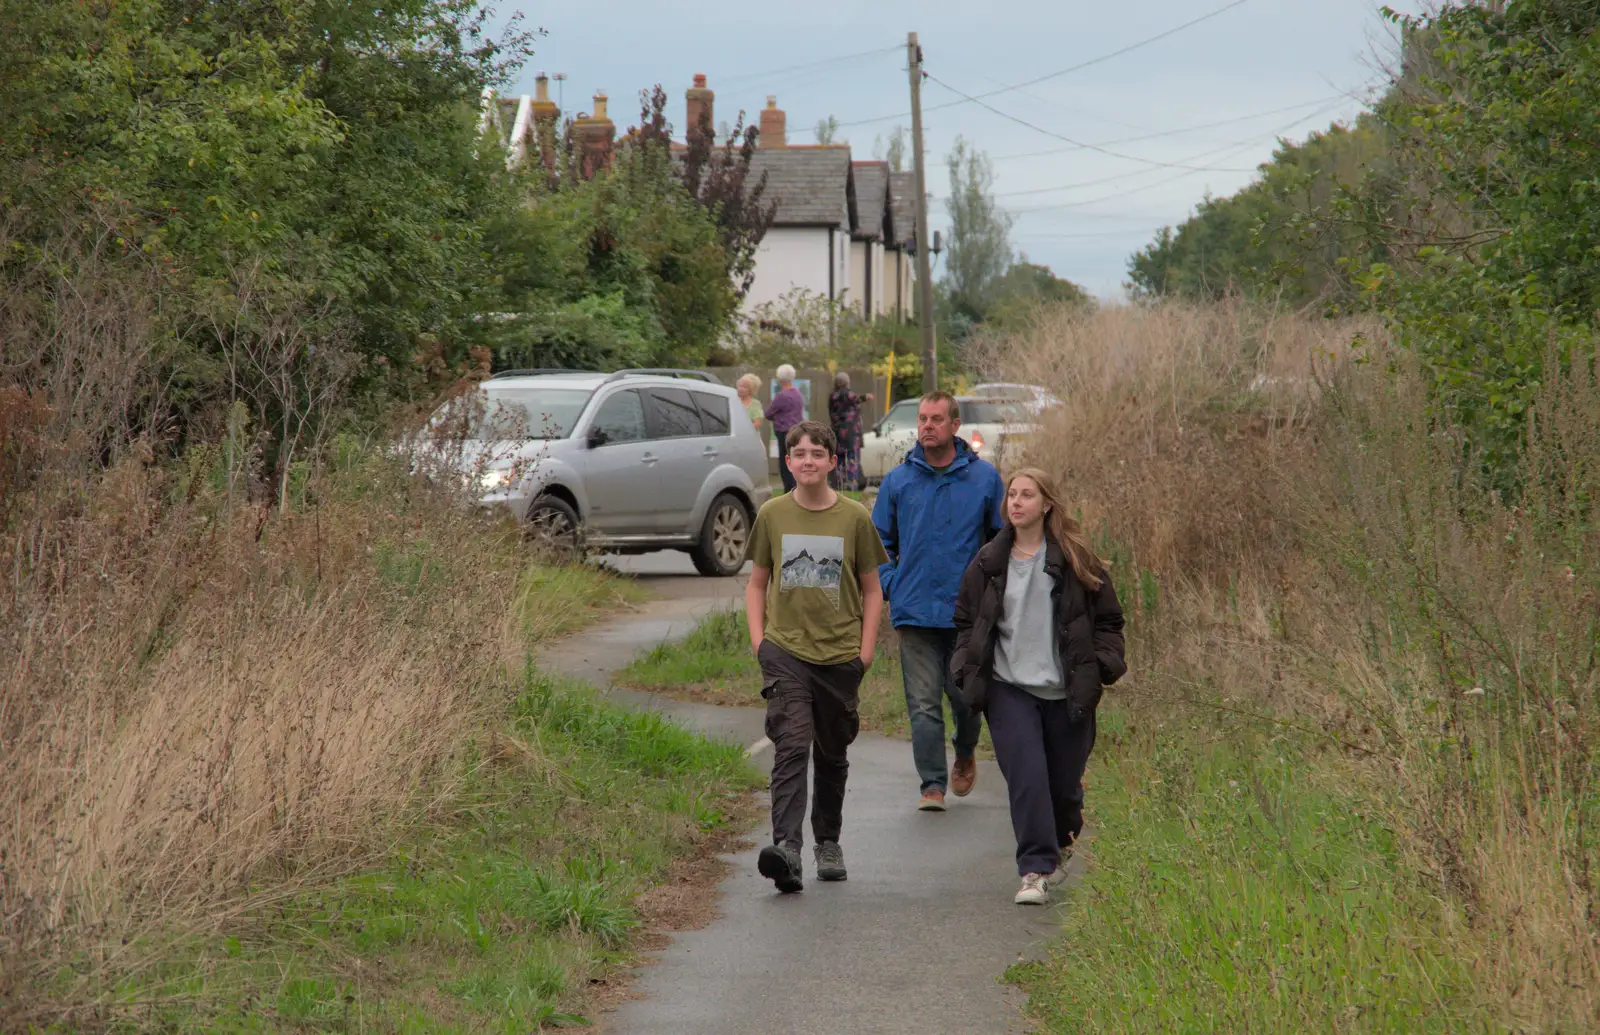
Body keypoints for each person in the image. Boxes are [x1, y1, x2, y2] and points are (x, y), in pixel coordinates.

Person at [951, 468, 1126, 906]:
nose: (1016, 502)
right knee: (1027, 777)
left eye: (1027, 495)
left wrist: (1101, 664)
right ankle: (1035, 869)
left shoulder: (1076, 558)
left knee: (1064, 790)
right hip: (1009, 688)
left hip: (1065, 689)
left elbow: (1108, 621)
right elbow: (966, 622)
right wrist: (964, 666)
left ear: (1047, 504)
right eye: (1012, 494)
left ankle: (1063, 839)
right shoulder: (988, 562)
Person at [747, 420, 888, 893]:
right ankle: (787, 849)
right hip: (785, 651)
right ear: (787, 462)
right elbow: (756, 582)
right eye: (798, 453)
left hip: (840, 654)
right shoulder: (771, 514)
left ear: (833, 461)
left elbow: (873, 590)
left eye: (817, 453)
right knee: (791, 743)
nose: (807, 460)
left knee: (832, 750)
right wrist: (759, 641)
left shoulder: (853, 518)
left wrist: (865, 652)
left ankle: (828, 841)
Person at [872, 391, 1005, 812]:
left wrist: (990, 592)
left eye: (935, 419)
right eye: (922, 419)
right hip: (914, 612)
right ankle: (931, 784)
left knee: (965, 700)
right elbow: (878, 544)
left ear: (954, 425)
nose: (926, 425)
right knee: (924, 704)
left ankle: (965, 751)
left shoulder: (984, 479)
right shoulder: (898, 481)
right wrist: (891, 582)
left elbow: (1001, 540)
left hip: (967, 617)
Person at [827, 371, 873, 492]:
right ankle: (852, 485)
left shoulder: (832, 396)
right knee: (853, 459)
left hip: (838, 432)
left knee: (839, 459)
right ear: (847, 382)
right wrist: (867, 396)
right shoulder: (849, 393)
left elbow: (831, 413)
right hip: (852, 434)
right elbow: (857, 399)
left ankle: (838, 485)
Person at [764, 364, 806, 494]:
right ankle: (797, 488)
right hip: (798, 431)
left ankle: (789, 489)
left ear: (779, 378)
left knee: (785, 462)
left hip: (784, 432)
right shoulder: (798, 394)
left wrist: (777, 417)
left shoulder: (781, 396)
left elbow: (768, 413)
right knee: (795, 459)